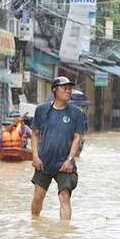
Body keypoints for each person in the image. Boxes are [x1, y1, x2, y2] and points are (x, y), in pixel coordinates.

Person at [31, 76, 84, 220]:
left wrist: (69, 160)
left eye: (70, 89)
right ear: (55, 90)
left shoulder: (77, 113)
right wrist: (35, 156)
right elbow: (35, 134)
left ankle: (64, 233)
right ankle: (34, 224)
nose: (68, 91)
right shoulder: (41, 110)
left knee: (64, 197)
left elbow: (77, 138)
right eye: (64, 88)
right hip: (44, 162)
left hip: (65, 164)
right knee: (38, 198)